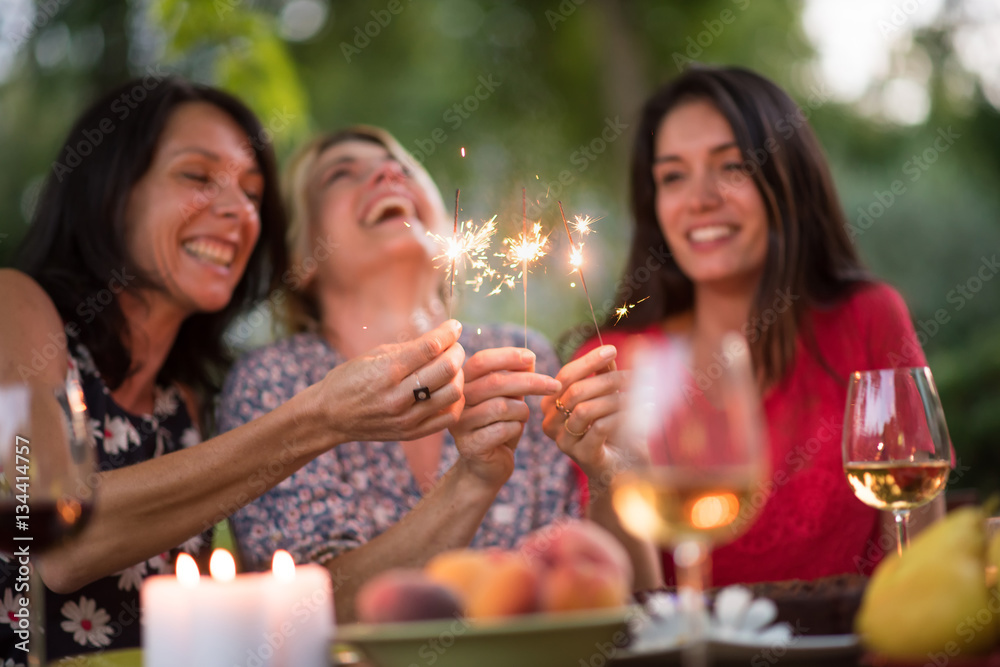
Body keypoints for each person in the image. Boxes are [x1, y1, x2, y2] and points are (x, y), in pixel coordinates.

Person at [0, 80, 464, 660]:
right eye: (197, 176)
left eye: (251, 193)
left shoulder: (187, 405)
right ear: (110, 192)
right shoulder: (14, 306)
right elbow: (59, 539)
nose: (236, 212)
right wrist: (322, 416)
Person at [218, 126, 662, 622]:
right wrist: (472, 480)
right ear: (300, 257)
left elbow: (626, 606)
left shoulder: (523, 353)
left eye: (403, 168)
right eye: (343, 174)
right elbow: (310, 612)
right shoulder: (274, 383)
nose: (387, 173)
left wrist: (612, 474)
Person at [542, 65, 944, 587]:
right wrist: (606, 474)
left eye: (731, 166)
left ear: (789, 177)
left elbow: (919, 556)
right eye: (672, 176)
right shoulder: (615, 361)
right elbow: (634, 610)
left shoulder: (867, 318)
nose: (700, 198)